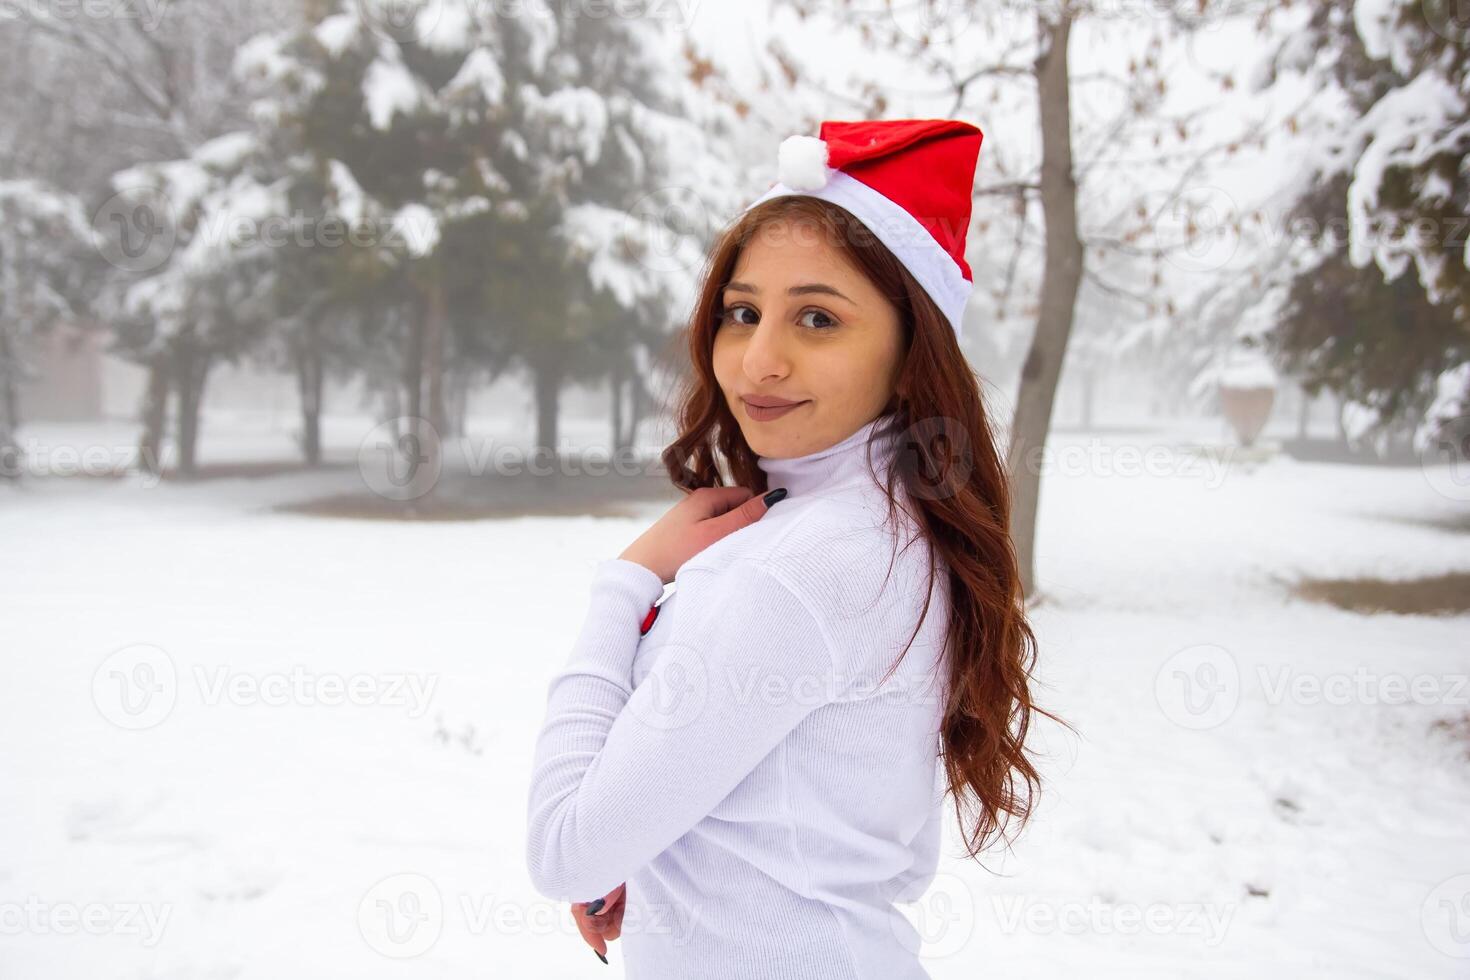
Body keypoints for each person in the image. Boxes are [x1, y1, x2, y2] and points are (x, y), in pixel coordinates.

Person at [526, 118, 1060, 979]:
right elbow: (808, 806)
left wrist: (625, 582)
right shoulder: (885, 520)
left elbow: (564, 850)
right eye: (743, 312)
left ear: (911, 343)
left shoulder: (813, 562)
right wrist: (667, 856)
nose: (758, 360)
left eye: (817, 317)